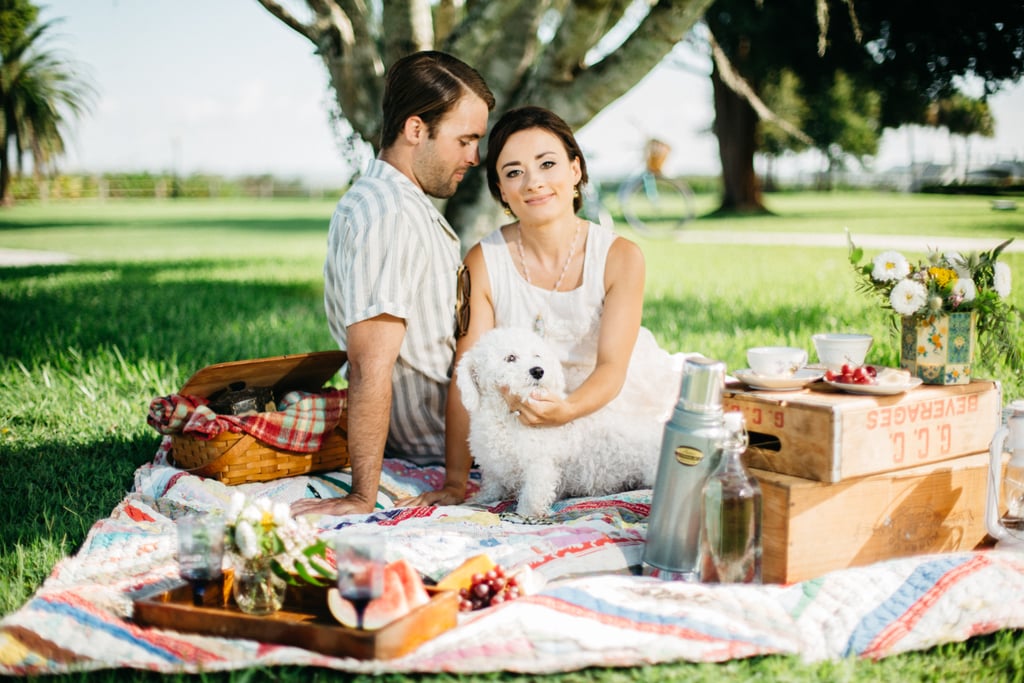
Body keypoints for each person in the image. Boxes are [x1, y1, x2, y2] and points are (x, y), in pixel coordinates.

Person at [407, 105, 687, 508]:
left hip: (612, 401)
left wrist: (566, 409)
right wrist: (455, 481)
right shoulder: (485, 260)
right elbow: (469, 372)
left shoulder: (621, 256)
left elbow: (612, 368)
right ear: (501, 190)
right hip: (526, 419)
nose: (533, 183)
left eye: (547, 164)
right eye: (514, 172)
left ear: (575, 170)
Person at [291, 51, 494, 517]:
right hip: (438, 445)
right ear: (416, 129)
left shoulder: (400, 202)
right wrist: (363, 495)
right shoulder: (388, 213)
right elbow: (368, 364)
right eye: (465, 140)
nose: (474, 156)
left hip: (462, 425)